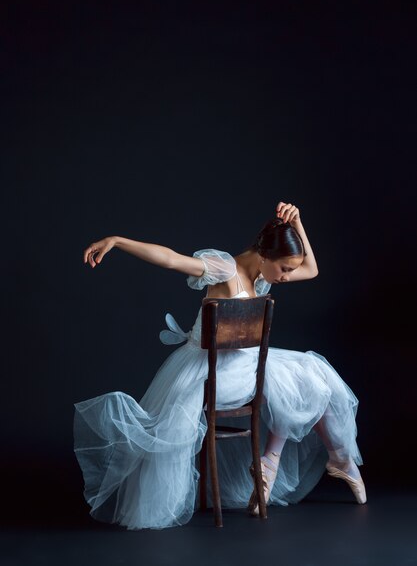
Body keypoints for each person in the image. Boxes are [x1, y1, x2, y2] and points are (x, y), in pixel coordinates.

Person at [74, 201, 366, 531]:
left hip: (248, 366)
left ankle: (307, 462)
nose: (286, 277)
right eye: (284, 269)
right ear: (264, 256)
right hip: (211, 373)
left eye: (288, 271)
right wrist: (118, 240)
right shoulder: (224, 268)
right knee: (295, 382)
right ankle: (281, 463)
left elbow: (311, 269)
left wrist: (297, 223)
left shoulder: (262, 273)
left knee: (313, 377)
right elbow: (171, 259)